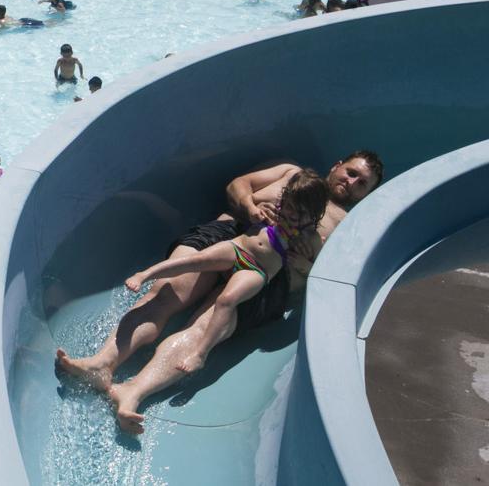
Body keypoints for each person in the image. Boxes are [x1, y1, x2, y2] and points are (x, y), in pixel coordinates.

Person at [54, 151, 384, 434]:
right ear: (337, 165)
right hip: (233, 236)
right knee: (166, 292)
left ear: (367, 194)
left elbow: (330, 284)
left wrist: (303, 263)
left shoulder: (348, 228)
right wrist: (251, 206)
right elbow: (236, 186)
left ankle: (132, 391)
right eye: (351, 172)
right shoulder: (290, 172)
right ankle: (101, 363)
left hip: (270, 278)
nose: (352, 182)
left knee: (204, 328)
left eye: (362, 184)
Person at [123, 170, 329, 376]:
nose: (292, 214)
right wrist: (252, 208)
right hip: (237, 248)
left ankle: (200, 353)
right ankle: (145, 274)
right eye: (290, 206)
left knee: (227, 300)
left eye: (300, 213)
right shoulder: (274, 210)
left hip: (257, 270)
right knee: (195, 260)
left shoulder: (310, 239)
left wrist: (303, 264)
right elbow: (239, 193)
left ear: (313, 216)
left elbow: (320, 276)